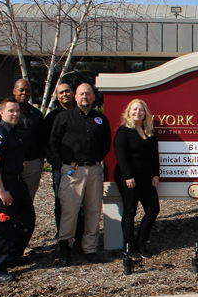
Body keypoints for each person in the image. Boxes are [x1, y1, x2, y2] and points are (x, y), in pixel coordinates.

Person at [50, 82, 112, 266]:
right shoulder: (64, 117)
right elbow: (53, 143)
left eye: (88, 94)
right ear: (75, 97)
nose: (84, 97)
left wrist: (96, 161)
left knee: (93, 211)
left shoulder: (100, 119)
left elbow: (106, 144)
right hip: (72, 170)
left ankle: (90, 249)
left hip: (94, 169)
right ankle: (65, 249)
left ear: (93, 97)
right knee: (69, 211)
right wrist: (62, 165)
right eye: (81, 94)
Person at [0, 97, 37, 283]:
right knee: (2, 228)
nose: (15, 114)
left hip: (18, 184)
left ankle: (12, 257)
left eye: (17, 111)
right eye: (11, 111)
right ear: (1, 113)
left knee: (28, 221)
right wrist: (1, 191)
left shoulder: (14, 132)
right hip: (5, 186)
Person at [113, 99, 161, 259]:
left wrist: (156, 175)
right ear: (128, 112)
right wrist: (128, 176)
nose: (137, 112)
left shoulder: (149, 131)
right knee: (130, 211)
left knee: (153, 209)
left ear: (145, 113)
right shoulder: (124, 131)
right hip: (129, 177)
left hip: (146, 177)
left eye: (141, 110)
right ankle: (129, 245)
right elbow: (121, 156)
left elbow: (154, 156)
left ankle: (141, 242)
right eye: (134, 110)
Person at [0, 78, 46, 206]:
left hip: (32, 164)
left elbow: (42, 139)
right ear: (14, 91)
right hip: (9, 166)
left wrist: (40, 160)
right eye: (21, 90)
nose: (24, 93)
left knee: (27, 202)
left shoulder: (36, 114)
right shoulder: (1, 112)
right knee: (9, 201)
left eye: (27, 91)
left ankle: (22, 225)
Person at [42, 81, 81, 243]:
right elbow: (46, 143)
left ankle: (79, 236)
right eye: (60, 93)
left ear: (73, 94)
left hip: (81, 167)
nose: (64, 94)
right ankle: (63, 236)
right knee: (61, 202)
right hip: (60, 167)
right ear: (57, 97)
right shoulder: (52, 117)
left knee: (81, 203)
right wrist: (56, 163)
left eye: (67, 91)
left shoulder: (82, 114)